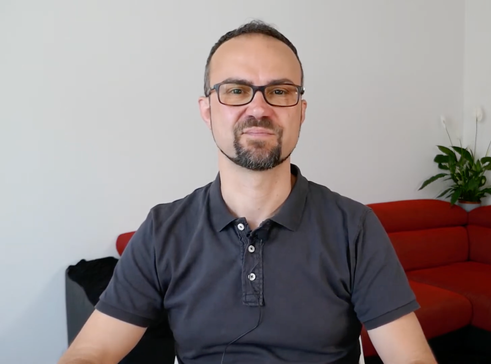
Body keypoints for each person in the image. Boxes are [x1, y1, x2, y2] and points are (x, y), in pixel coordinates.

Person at [58, 20, 437, 364]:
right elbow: (93, 351)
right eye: (236, 90)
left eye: (279, 90)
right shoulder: (162, 230)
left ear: (300, 111)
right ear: (206, 110)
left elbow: (412, 358)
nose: (259, 107)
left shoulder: (354, 228)